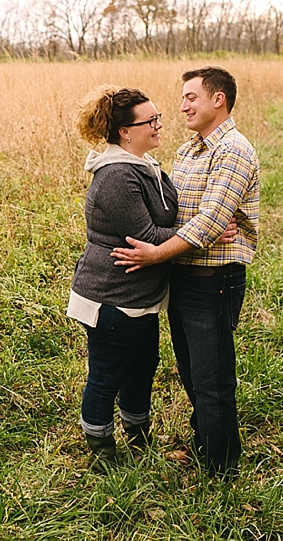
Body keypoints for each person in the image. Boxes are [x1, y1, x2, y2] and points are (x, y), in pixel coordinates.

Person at [111, 66, 260, 478]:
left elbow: (211, 220)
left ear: (219, 99)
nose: (182, 106)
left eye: (191, 97)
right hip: (184, 276)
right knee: (192, 371)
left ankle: (221, 466)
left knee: (212, 377)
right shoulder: (189, 150)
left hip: (213, 280)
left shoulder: (233, 150)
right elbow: (179, 212)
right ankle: (205, 443)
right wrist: (202, 227)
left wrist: (158, 253)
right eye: (182, 98)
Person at [68, 85, 178, 468]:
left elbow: (168, 223)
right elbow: (146, 237)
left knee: (143, 366)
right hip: (111, 297)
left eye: (158, 116)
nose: (159, 124)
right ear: (125, 132)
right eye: (151, 120)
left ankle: (138, 431)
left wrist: (196, 227)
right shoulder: (117, 177)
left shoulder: (146, 167)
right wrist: (205, 233)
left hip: (139, 296)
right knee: (107, 376)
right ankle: (101, 450)